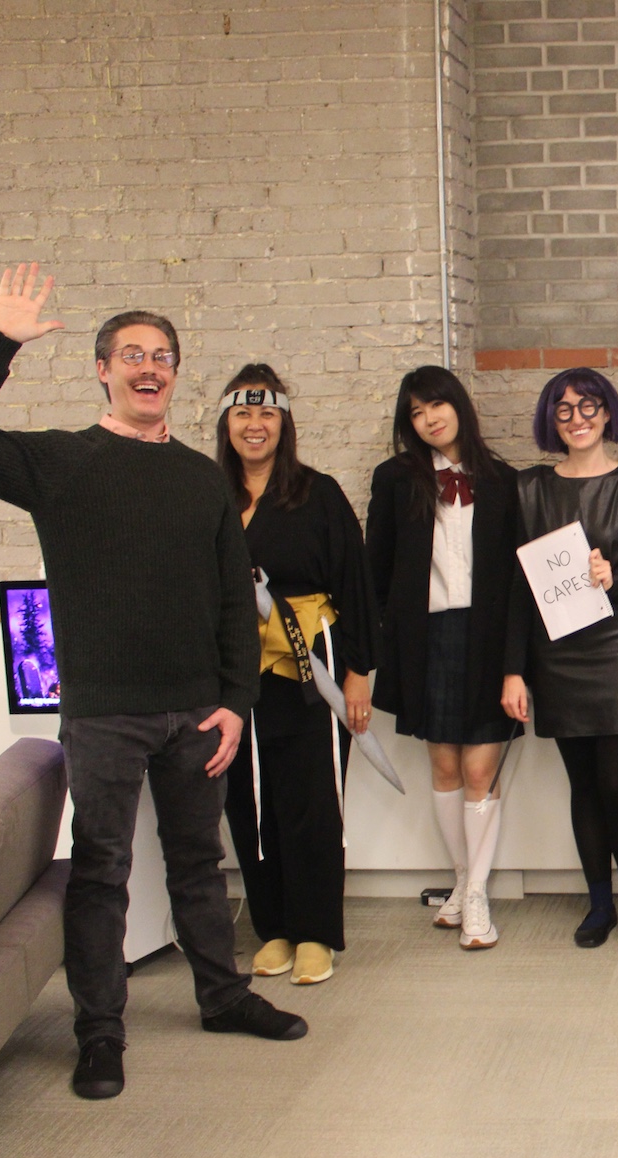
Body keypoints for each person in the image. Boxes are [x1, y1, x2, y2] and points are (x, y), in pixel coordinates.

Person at [0, 265, 306, 1102]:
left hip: (197, 711)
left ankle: (223, 997)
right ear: (103, 370)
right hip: (104, 714)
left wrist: (234, 702)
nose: (149, 366)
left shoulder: (202, 477)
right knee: (101, 869)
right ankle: (99, 1031)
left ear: (175, 374)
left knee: (199, 864)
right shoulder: (61, 463)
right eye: (132, 354)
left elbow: (231, 598)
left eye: (162, 355)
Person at [502, 368, 618, 949]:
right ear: (550, 421)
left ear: (608, 414)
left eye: (588, 407)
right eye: (564, 410)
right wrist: (513, 671)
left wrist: (615, 584)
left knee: (617, 784)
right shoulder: (530, 490)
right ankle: (599, 904)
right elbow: (517, 592)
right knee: (582, 786)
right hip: (557, 657)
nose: (577, 419)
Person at [218, 365, 376, 986]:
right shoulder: (210, 495)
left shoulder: (318, 493)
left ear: (284, 423)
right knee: (249, 796)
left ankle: (315, 931)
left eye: (267, 414)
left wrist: (359, 673)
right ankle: (275, 928)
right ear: (227, 423)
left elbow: (356, 583)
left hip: (312, 665)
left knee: (311, 798)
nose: (255, 426)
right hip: (234, 668)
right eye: (242, 414)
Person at [366, 366, 520, 950]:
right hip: (426, 639)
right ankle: (462, 880)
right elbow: (376, 567)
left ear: (458, 405)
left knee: (482, 770)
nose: (429, 419)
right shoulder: (395, 478)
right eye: (416, 412)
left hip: (487, 639)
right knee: (446, 768)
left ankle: (476, 894)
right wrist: (382, 641)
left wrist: (517, 660)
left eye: (436, 405)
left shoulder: (503, 480)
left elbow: (518, 579)